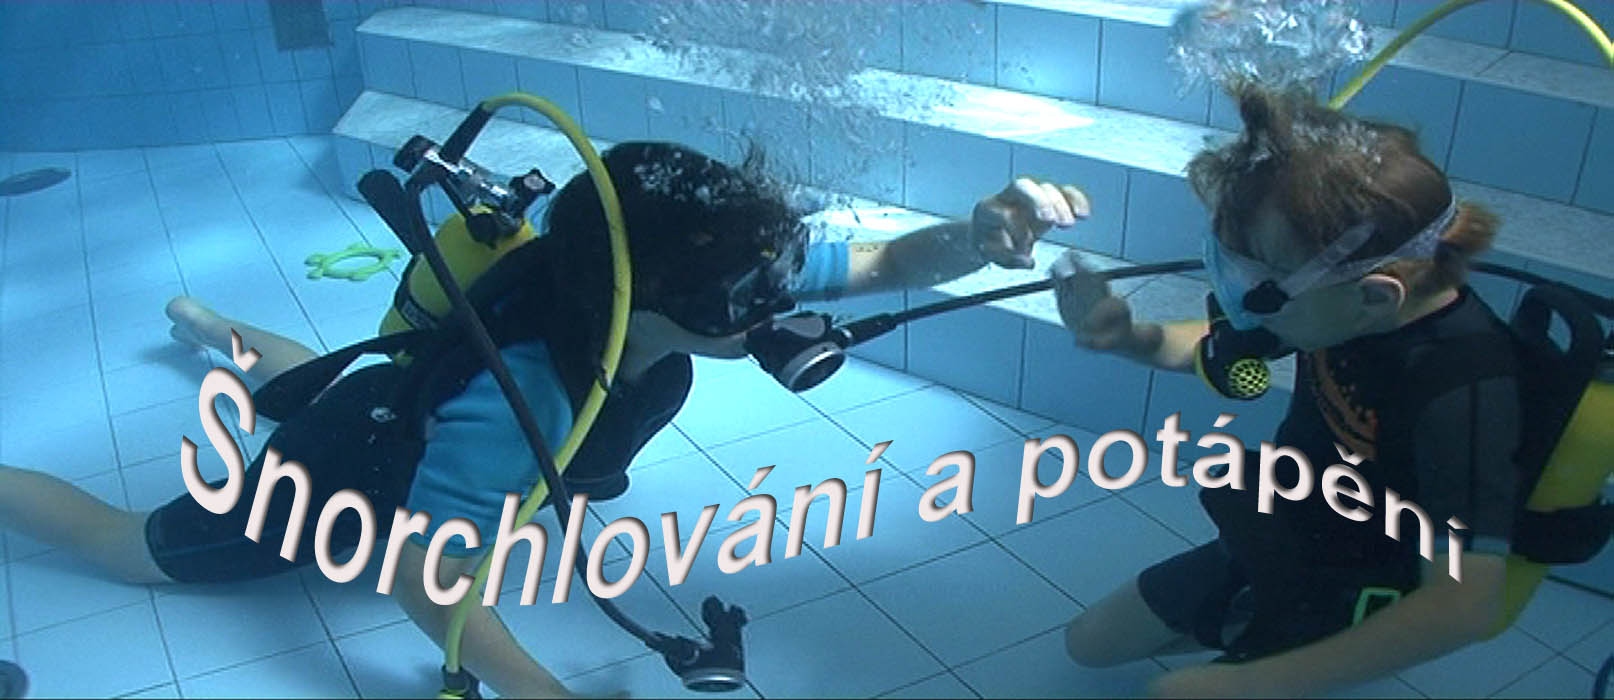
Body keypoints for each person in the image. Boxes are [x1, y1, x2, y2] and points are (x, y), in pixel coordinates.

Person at [0, 141, 1088, 699]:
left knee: (341, 381)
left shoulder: (704, 263)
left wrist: (977, 235)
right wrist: (538, 688)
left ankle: (204, 322)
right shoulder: (523, 396)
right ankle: (180, 350)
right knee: (132, 545)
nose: (773, 309)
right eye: (745, 301)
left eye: (775, 278)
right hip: (345, 476)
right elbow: (420, 576)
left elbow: (886, 262)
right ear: (638, 300)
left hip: (397, 402)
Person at [1053, 87, 1521, 698]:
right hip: (1289, 532)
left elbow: (1464, 608)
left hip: (1361, 585)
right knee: (1088, 643)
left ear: (1376, 295)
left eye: (1263, 286)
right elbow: (1218, 347)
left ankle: (1278, 641)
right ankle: (1252, 621)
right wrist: (1130, 339)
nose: (1242, 302)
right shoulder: (1333, 306)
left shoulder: (1464, 391)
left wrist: (1256, 684)